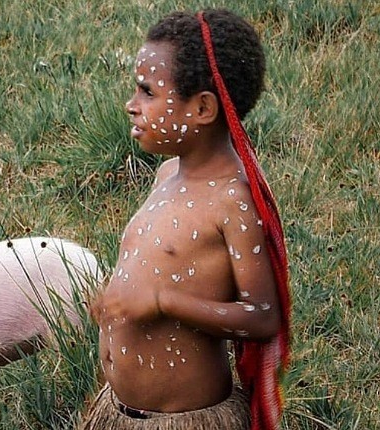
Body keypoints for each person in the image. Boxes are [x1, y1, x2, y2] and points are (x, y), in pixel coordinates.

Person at [81, 9, 291, 430]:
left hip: (187, 419)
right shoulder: (167, 174)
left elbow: (263, 317)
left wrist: (164, 303)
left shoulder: (232, 202)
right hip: (121, 412)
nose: (131, 106)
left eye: (147, 92)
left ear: (203, 108)